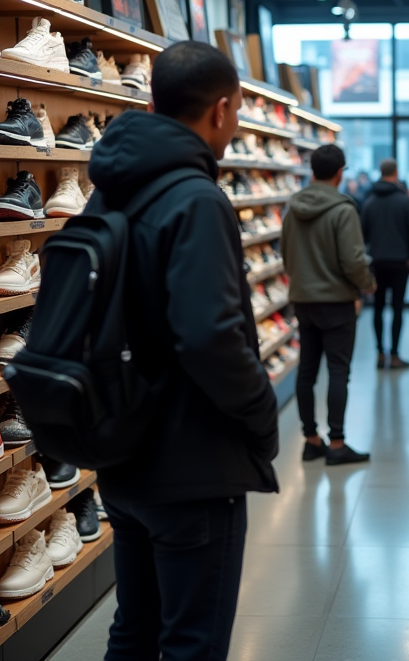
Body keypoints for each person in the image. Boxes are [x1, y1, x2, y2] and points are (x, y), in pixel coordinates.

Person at [85, 41, 279, 661]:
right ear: (221, 110)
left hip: (120, 452)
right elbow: (207, 334)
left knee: (134, 631)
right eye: (240, 110)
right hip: (192, 460)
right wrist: (260, 414)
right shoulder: (197, 199)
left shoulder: (107, 192)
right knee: (192, 643)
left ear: (151, 101)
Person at [283, 144, 376, 465]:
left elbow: (285, 251)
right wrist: (366, 284)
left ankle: (311, 440)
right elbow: (352, 260)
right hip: (336, 301)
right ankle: (337, 443)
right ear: (340, 173)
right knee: (338, 371)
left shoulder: (291, 208)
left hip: (303, 300)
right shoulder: (343, 210)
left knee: (306, 370)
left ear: (312, 171)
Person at [361, 159, 409, 369]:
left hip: (376, 262)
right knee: (397, 308)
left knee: (377, 308)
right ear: (396, 172)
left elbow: (363, 234)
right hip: (399, 262)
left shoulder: (369, 201)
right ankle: (395, 354)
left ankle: (379, 353)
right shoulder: (405, 201)